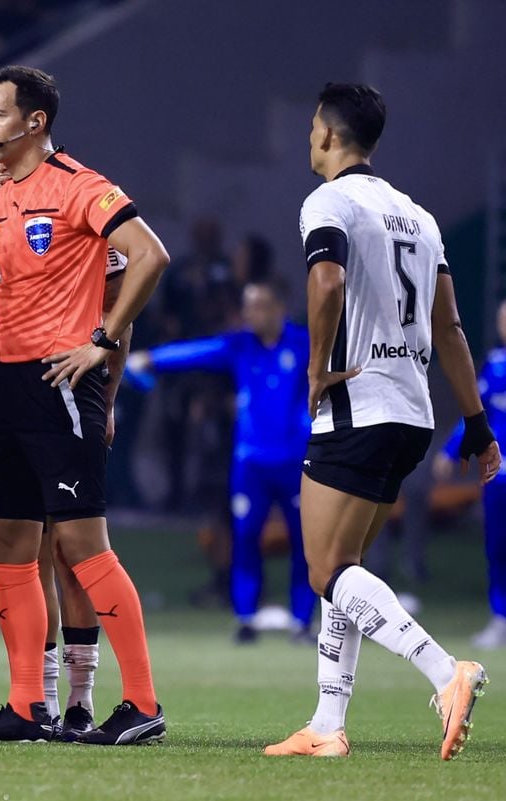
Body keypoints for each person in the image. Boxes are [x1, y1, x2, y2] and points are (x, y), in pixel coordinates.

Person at [264, 83, 498, 761]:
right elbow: (449, 326)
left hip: (355, 405)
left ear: (331, 136)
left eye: (313, 127)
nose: (311, 138)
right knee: (350, 566)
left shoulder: (329, 202)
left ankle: (445, 672)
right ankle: (327, 723)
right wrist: (477, 423)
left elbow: (327, 281)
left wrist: (315, 367)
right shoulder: (419, 218)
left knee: (323, 570)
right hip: (414, 410)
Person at [0, 65, 170, 745]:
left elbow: (149, 255)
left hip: (58, 384)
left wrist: (100, 343)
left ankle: (142, 703)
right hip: (9, 386)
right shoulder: (4, 198)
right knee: (11, 546)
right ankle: (26, 705)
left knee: (78, 544)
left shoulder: (79, 186)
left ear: (34, 122)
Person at [0, 158, 103, 739]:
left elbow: (112, 317)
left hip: (63, 391)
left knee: (72, 554)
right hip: (6, 404)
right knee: (24, 560)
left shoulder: (73, 206)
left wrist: (108, 399)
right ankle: (40, 702)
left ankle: (83, 699)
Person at [129, 278, 315, 644]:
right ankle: (245, 618)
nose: (249, 314)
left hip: (295, 461)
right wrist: (152, 359)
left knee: (303, 543)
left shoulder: (304, 344)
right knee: (245, 539)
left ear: (279, 307)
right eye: (247, 306)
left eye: (258, 306)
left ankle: (302, 622)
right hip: (250, 463)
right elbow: (197, 352)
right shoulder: (240, 345)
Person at [434, 297, 506, 649]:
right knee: (497, 546)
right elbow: (474, 414)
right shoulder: (495, 366)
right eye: (502, 320)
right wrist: (450, 451)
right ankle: (500, 618)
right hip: (500, 474)